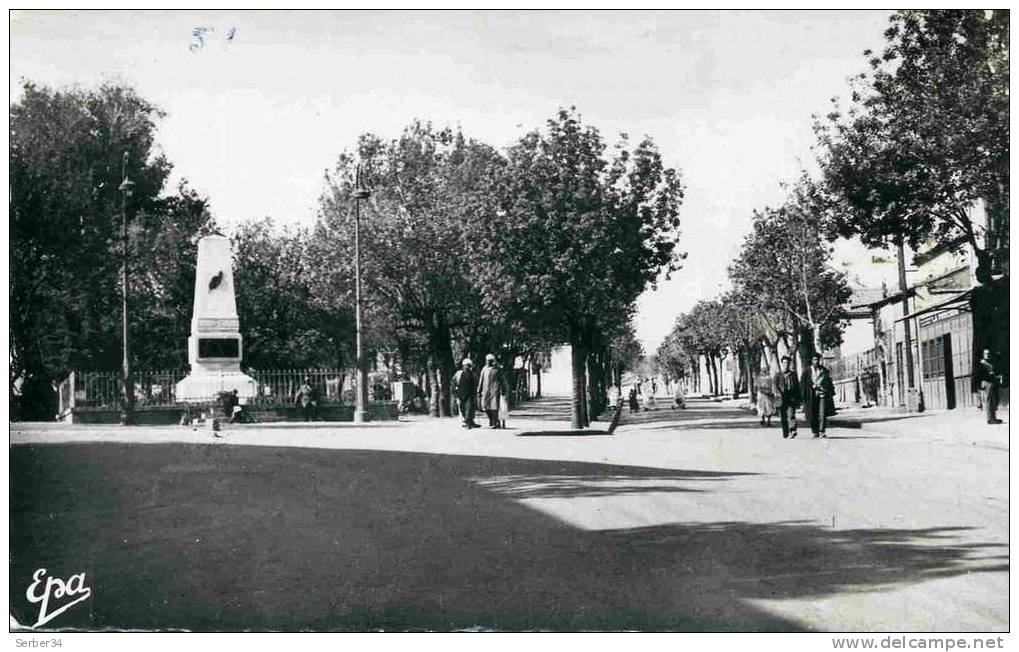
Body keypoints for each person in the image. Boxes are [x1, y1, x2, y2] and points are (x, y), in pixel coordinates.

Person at [801, 352, 835, 438]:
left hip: (822, 394)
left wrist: (827, 390)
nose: (816, 361)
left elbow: (828, 382)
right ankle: (815, 431)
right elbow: (803, 384)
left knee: (822, 413)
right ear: (812, 361)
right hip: (811, 395)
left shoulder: (824, 370)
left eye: (818, 360)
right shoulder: (807, 371)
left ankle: (822, 431)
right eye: (815, 360)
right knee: (813, 413)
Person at [477, 354, 507, 428]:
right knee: (485, 407)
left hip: (495, 390)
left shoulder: (498, 369)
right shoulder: (484, 369)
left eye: (490, 361)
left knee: (494, 407)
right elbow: (481, 380)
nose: (488, 362)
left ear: (492, 361)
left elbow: (503, 380)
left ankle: (494, 422)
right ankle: (492, 420)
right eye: (487, 361)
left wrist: (504, 389)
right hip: (486, 390)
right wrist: (479, 390)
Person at [774, 356, 801, 439]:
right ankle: (785, 432)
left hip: (791, 397)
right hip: (782, 398)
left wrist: (799, 398)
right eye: (784, 362)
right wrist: (778, 393)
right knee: (783, 417)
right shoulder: (778, 374)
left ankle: (792, 430)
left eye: (788, 363)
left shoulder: (793, 374)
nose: (786, 364)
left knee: (791, 414)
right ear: (782, 363)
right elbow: (775, 386)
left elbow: (797, 387)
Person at [978, 349, 1003, 424]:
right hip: (986, 382)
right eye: (986, 354)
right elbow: (979, 375)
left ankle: (993, 417)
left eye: (988, 354)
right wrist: (989, 374)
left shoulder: (990, 363)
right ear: (983, 354)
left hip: (992, 382)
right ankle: (990, 418)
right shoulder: (982, 363)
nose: (987, 355)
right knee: (989, 400)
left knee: (993, 400)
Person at [454, 358, 480, 429]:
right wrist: (455, 390)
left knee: (469, 408)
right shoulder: (459, 373)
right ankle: (468, 421)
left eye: (468, 365)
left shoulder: (474, 374)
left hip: (470, 394)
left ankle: (468, 422)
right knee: (462, 408)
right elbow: (454, 382)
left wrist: (476, 392)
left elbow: (476, 383)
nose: (467, 367)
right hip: (461, 393)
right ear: (463, 366)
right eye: (465, 365)